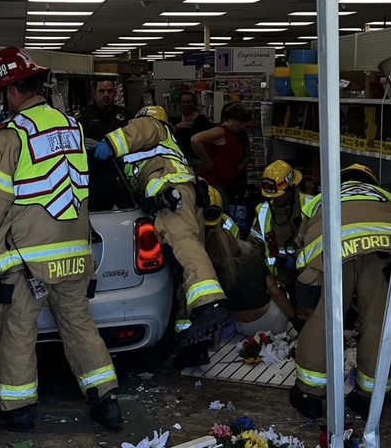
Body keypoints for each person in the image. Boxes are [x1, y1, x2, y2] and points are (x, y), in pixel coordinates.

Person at [0, 47, 122, 433]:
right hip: (75, 252)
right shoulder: (73, 126)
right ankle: (106, 401)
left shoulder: (9, 135)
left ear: (10, 91)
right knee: (79, 325)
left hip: (27, 258)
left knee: (18, 328)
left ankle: (17, 410)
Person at [92, 105, 231, 345]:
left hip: (171, 197)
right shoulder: (158, 150)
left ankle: (210, 304)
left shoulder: (152, 126)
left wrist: (110, 143)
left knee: (184, 245)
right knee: (183, 265)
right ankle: (190, 338)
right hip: (181, 197)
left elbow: (138, 130)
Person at [289, 163, 391, 419]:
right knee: (378, 323)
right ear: (372, 182)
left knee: (322, 321)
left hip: (334, 251)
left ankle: (310, 395)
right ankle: (369, 397)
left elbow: (303, 238)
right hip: (383, 251)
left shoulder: (322, 198)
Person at [205, 223, 295, 337]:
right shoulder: (253, 260)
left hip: (247, 329)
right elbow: (278, 296)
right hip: (276, 323)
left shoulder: (212, 274)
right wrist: (293, 318)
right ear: (233, 242)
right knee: (283, 293)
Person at [250, 161, 313, 311]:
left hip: (308, 278)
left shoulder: (311, 205)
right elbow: (254, 247)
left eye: (279, 195)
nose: (276, 199)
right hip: (278, 280)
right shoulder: (263, 211)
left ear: (292, 187)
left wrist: (298, 260)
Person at [191, 102, 251, 194]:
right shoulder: (220, 131)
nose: (242, 126)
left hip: (227, 183)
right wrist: (207, 160)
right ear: (231, 119)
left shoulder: (235, 134)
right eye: (240, 122)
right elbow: (195, 139)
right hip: (214, 182)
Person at [173, 91, 212, 160]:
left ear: (194, 104)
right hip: (180, 159)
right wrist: (177, 127)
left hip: (198, 159)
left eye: (188, 102)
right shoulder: (175, 120)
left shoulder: (202, 120)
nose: (185, 104)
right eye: (183, 102)